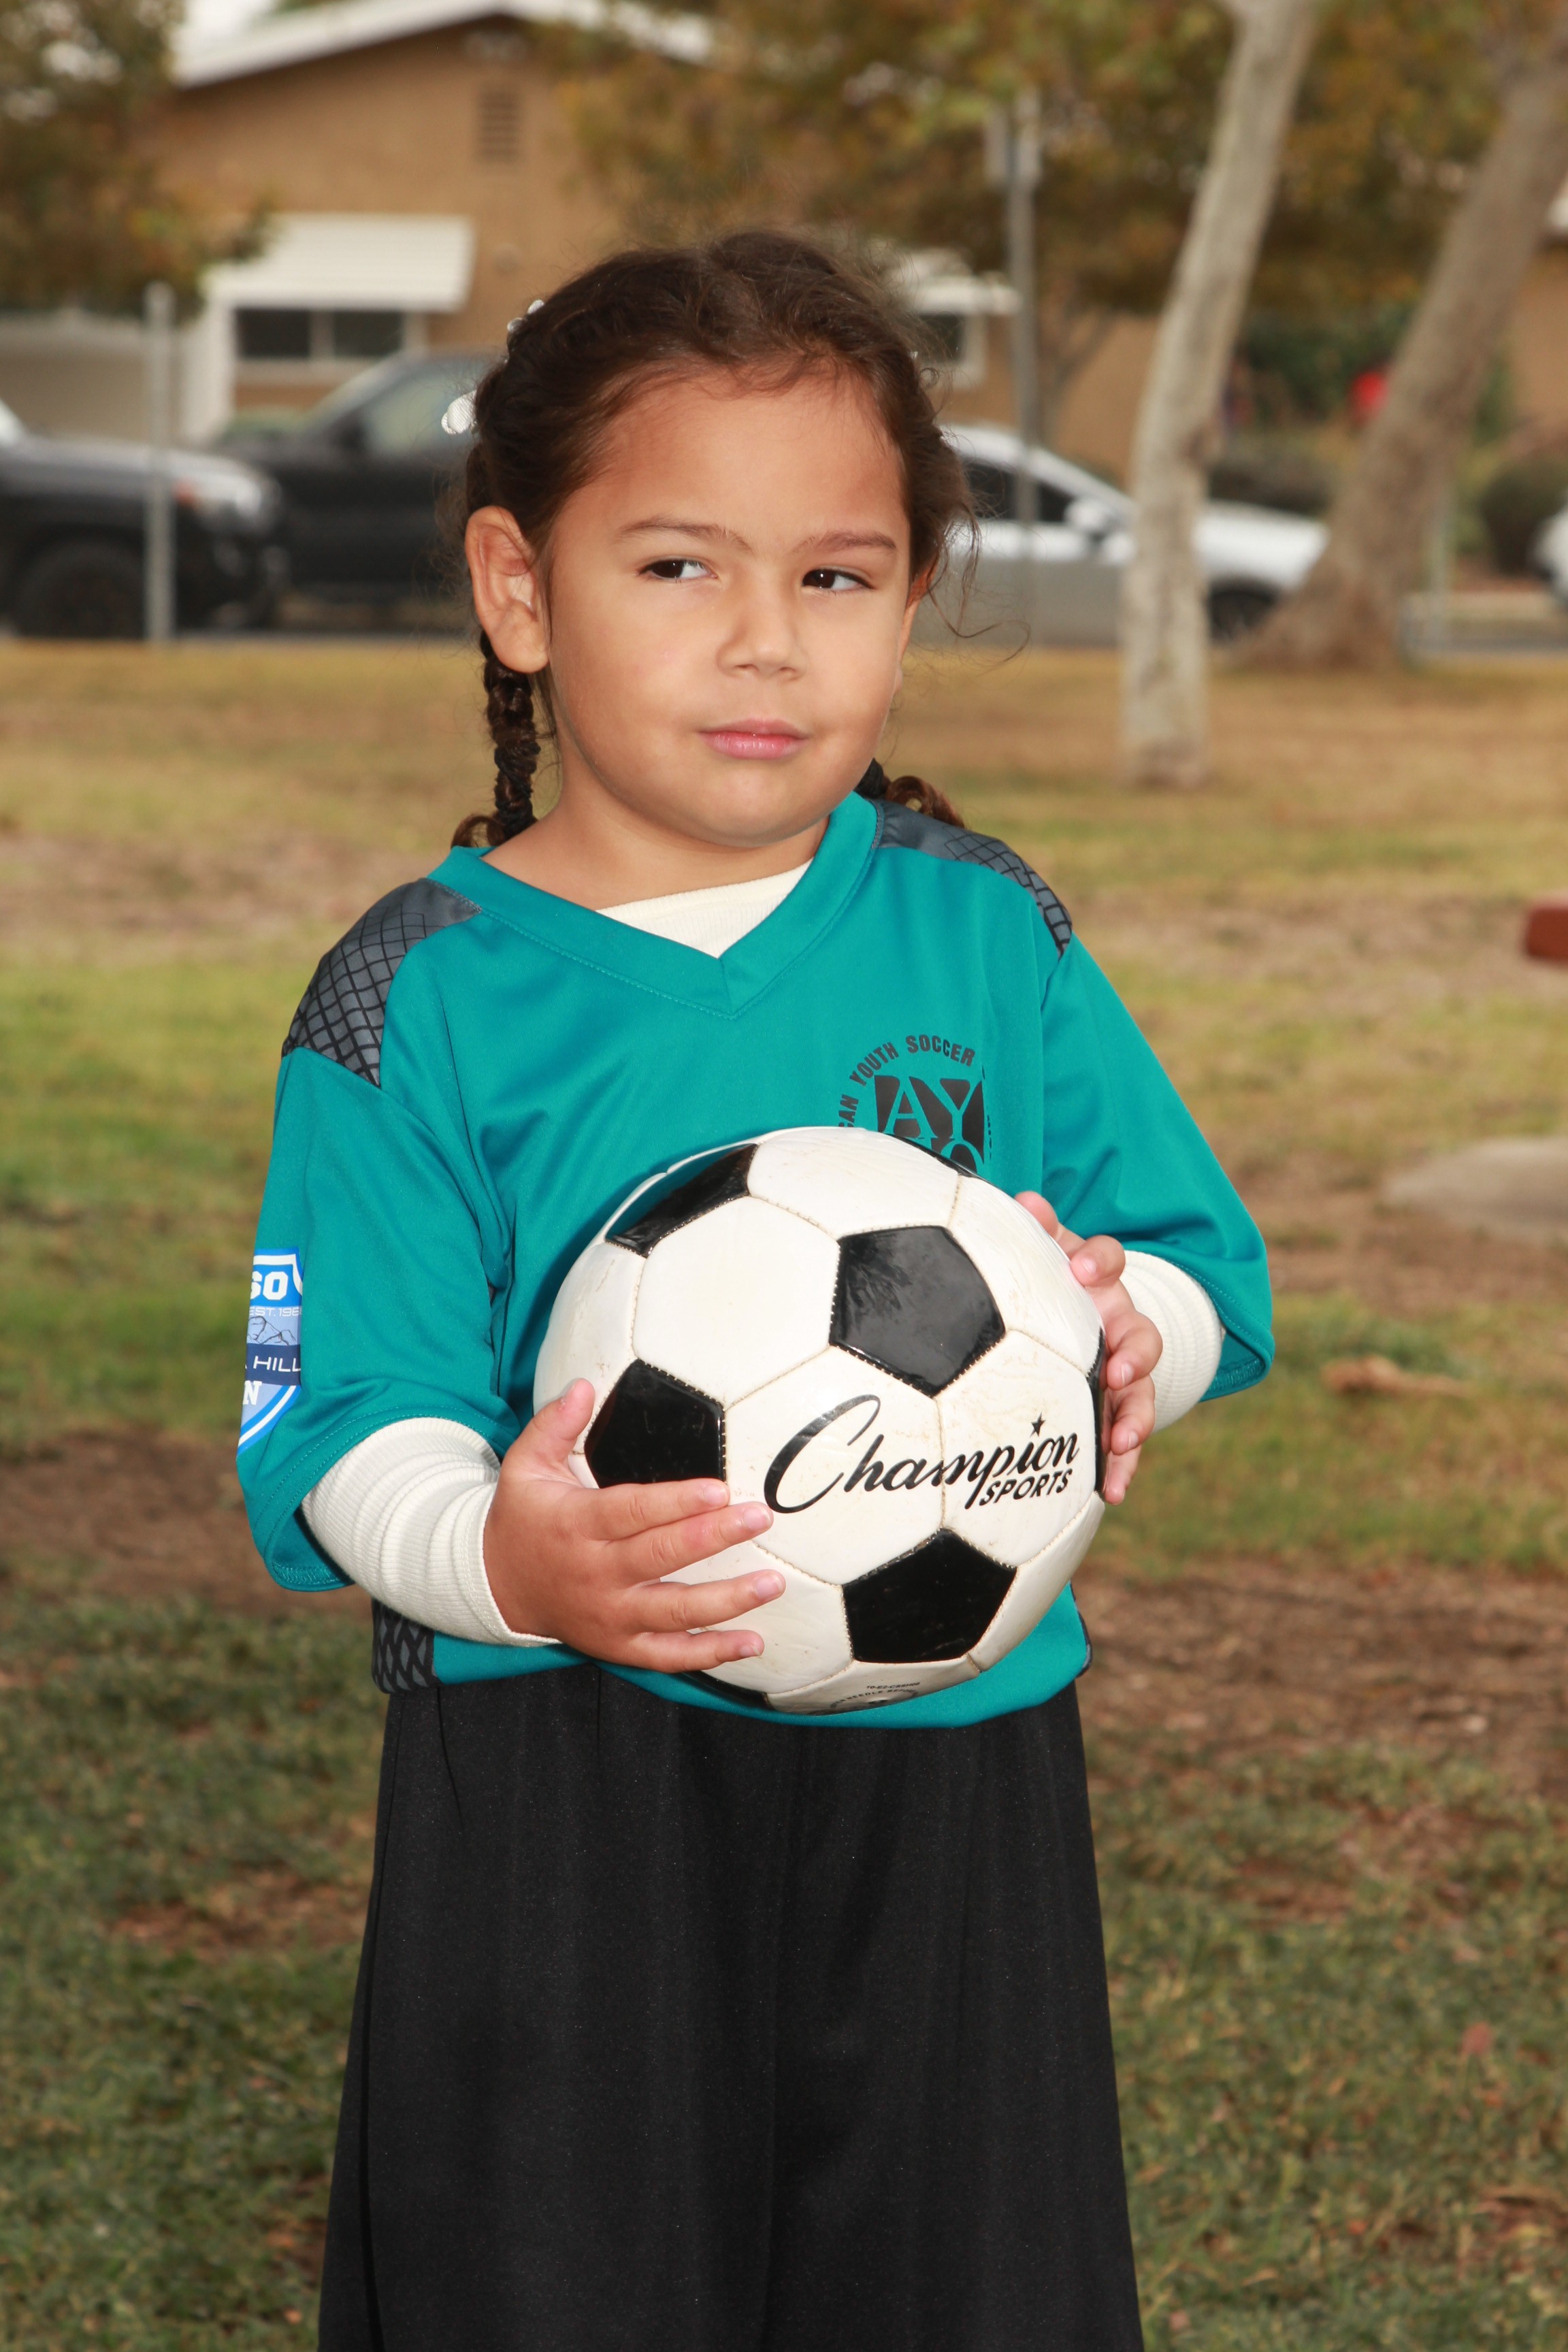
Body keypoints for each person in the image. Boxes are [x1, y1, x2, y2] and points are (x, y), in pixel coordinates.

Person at [239, 232, 1273, 2352]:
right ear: (520, 591)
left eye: (836, 575)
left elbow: (1201, 1261)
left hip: (958, 1760)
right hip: (565, 1787)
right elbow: (345, 1420)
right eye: (678, 567)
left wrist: (1122, 1334)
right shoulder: (412, 1002)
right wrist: (508, 1557)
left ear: (913, 600)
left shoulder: (982, 930)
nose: (766, 641)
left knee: (962, 2290)